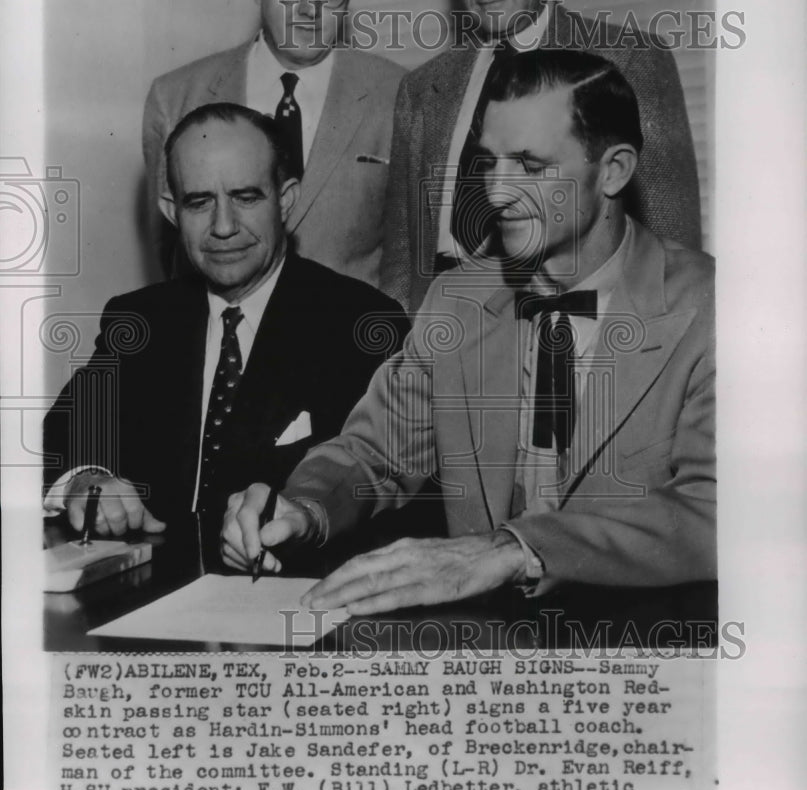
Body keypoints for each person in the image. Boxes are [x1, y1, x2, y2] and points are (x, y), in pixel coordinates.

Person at [221, 50, 715, 616]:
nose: (497, 194)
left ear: (614, 170)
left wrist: (516, 551)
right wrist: (303, 509)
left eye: (530, 165)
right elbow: (373, 453)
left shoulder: (714, 311)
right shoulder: (457, 301)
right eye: (489, 162)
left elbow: (716, 512)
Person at [44, 104, 407, 570]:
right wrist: (86, 479)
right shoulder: (141, 319)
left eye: (246, 197)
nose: (223, 226)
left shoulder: (361, 323)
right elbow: (60, 436)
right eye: (199, 202)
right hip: (153, 606)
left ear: (287, 198)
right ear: (171, 211)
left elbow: (382, 489)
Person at [381, 0, 702, 312]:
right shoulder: (422, 89)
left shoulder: (629, 61)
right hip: (443, 335)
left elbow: (671, 246)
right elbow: (402, 263)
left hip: (567, 330)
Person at [143, 0, 405, 288]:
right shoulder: (175, 98)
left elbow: (408, 256)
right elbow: (170, 254)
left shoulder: (397, 93)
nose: (309, 9)